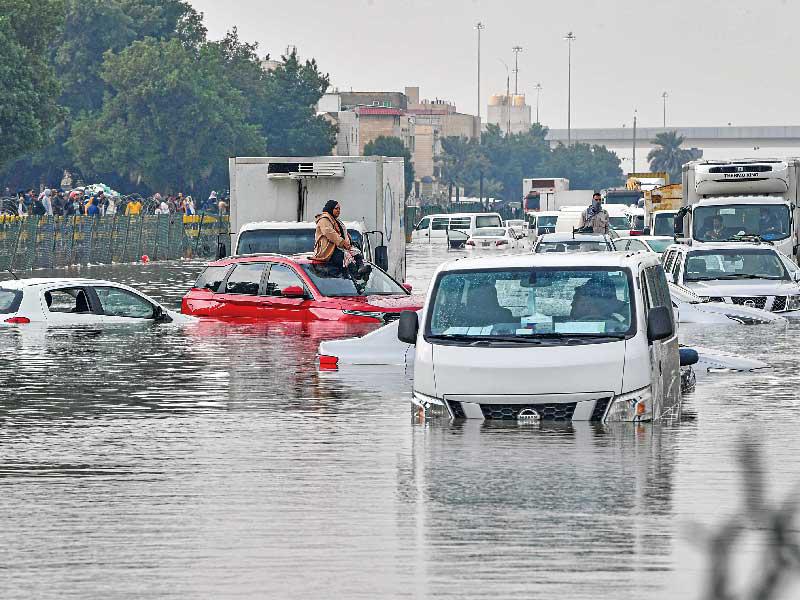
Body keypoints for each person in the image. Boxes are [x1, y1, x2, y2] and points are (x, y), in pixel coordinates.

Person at [313, 200, 371, 280]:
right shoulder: (324, 219)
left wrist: (349, 244)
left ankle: (361, 268)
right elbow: (329, 232)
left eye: (339, 209)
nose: (338, 211)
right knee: (346, 257)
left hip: (340, 247)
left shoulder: (336, 220)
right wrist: (342, 242)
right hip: (329, 250)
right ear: (330, 208)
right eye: (336, 208)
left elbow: (344, 233)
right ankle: (356, 275)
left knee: (356, 253)